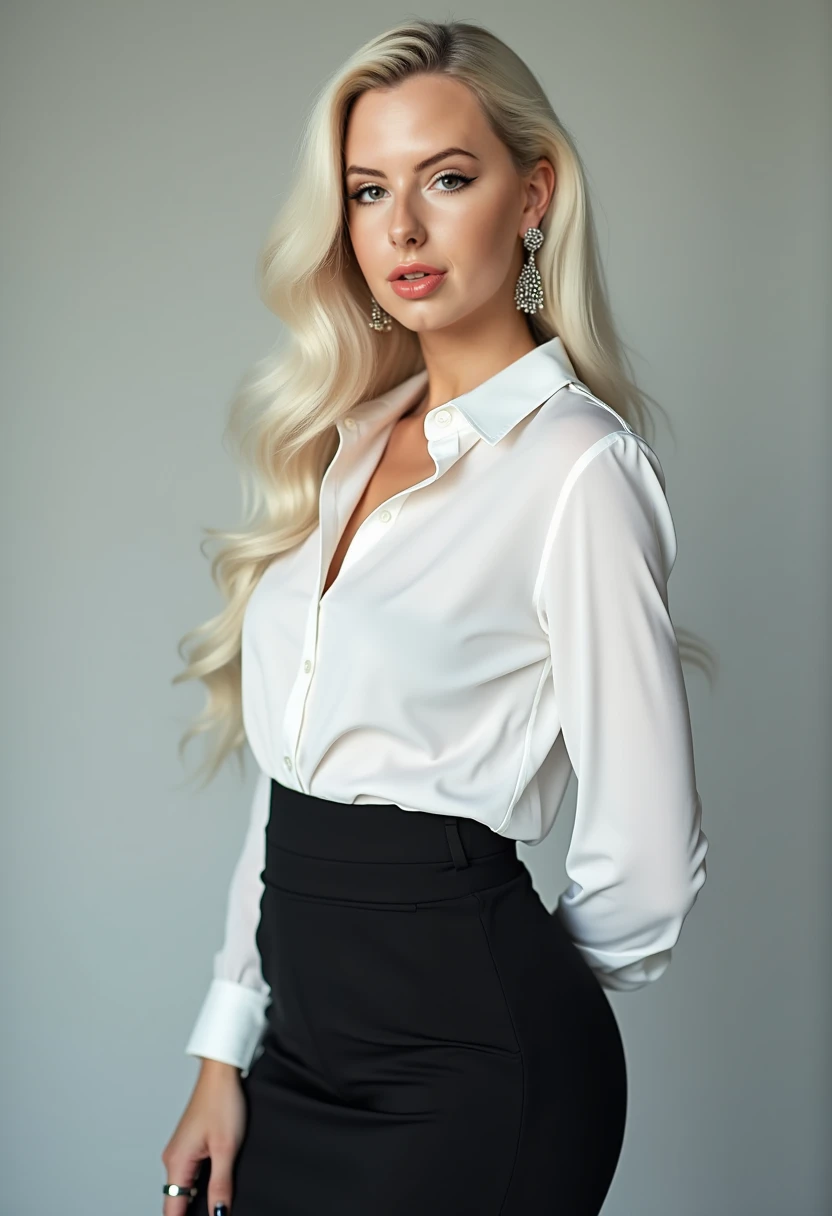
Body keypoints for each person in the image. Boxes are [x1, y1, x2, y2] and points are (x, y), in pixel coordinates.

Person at [161, 17, 709, 1216]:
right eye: (368, 191)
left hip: (474, 1069)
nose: (399, 230)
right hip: (296, 1048)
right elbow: (294, 783)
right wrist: (222, 1048)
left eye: (446, 179)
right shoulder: (344, 444)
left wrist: (495, 990)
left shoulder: (578, 468)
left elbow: (649, 854)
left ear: (533, 196)